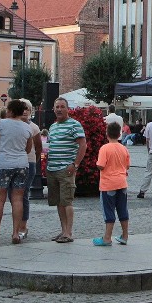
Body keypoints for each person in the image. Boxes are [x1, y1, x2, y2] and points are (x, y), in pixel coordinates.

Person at [0, 99, 33, 245]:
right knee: (18, 199)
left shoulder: (0, 124)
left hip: (3, 163)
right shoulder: (27, 128)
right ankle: (16, 233)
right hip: (21, 164)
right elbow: (28, 149)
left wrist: (0, 144)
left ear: (10, 111)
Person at [46, 97, 87, 243]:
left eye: (62, 107)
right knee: (58, 202)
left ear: (67, 109)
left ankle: (69, 232)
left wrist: (75, 164)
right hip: (52, 168)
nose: (59, 109)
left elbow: (83, 145)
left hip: (66, 169)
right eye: (57, 107)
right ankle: (63, 230)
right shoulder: (53, 126)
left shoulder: (74, 125)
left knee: (67, 201)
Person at [93, 122, 130, 246]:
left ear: (106, 133)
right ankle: (125, 235)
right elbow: (127, 165)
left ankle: (107, 237)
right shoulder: (123, 148)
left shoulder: (105, 148)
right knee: (122, 209)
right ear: (120, 134)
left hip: (108, 183)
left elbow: (101, 165)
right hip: (122, 182)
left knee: (108, 210)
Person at [16, 98, 43, 240]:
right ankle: (17, 225)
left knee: (23, 194)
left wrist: (34, 161)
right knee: (14, 196)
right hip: (15, 163)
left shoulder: (34, 127)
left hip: (29, 163)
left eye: (27, 108)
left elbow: (39, 148)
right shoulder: (13, 125)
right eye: (23, 108)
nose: (25, 111)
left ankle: (23, 225)